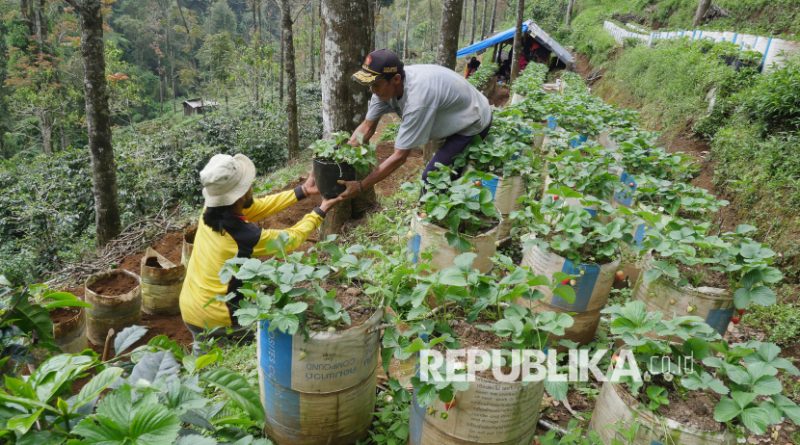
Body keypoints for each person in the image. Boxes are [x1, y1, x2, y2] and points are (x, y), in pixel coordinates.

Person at [179, 153, 342, 354]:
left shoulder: (212, 211)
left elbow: (258, 207)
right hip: (218, 314)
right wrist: (321, 210)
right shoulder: (242, 235)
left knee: (205, 352)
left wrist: (302, 191)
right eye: (247, 184)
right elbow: (290, 239)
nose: (250, 186)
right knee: (255, 344)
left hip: (191, 304)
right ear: (239, 194)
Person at [337, 49, 492, 200]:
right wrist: (340, 158)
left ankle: (430, 220)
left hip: (473, 120)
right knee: (446, 172)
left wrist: (361, 186)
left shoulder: (417, 100)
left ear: (396, 79)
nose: (372, 90)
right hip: (455, 112)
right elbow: (367, 127)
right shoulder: (384, 86)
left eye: (375, 85)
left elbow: (399, 156)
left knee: (433, 179)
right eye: (370, 85)